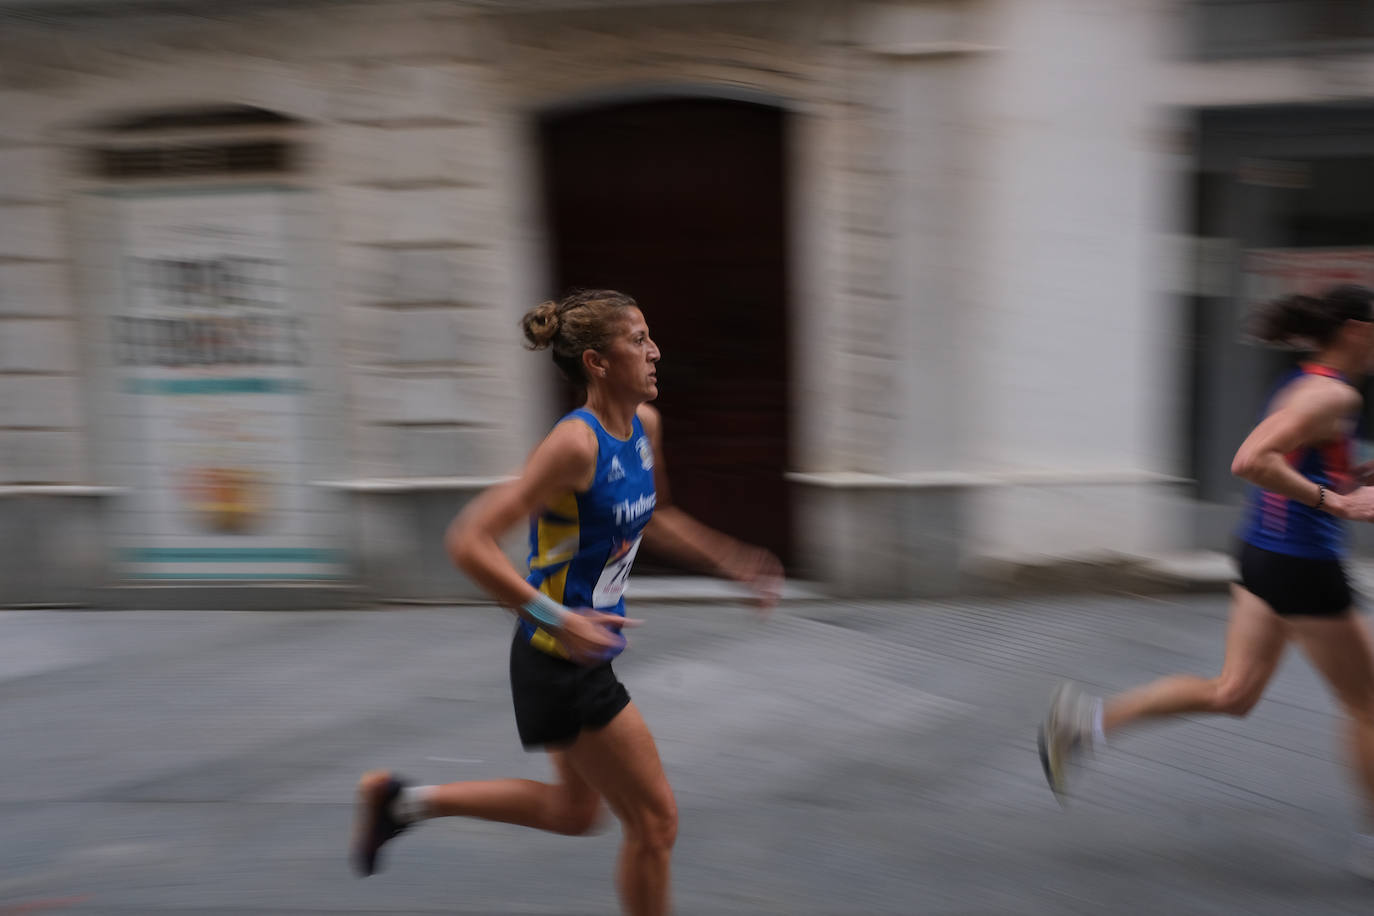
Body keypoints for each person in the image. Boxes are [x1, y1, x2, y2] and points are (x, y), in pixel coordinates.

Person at [350, 289, 783, 915]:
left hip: (578, 653)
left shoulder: (642, 428)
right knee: (656, 824)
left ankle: (404, 802)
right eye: (638, 339)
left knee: (576, 813)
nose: (656, 351)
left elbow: (653, 516)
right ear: (596, 362)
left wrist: (732, 561)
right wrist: (557, 618)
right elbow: (467, 540)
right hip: (559, 659)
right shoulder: (573, 446)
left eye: (650, 336)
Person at [1039, 284, 1374, 874]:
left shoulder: (1304, 381)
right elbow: (1250, 461)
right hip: (1301, 565)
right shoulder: (1334, 395)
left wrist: (1344, 475)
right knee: (1368, 706)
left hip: (1261, 554)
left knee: (1233, 693)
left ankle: (1084, 723)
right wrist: (1335, 502)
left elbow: (1290, 455)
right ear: (1355, 330)